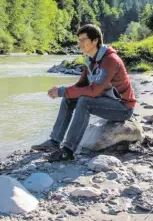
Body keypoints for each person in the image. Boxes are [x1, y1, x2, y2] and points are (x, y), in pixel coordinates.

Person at [32, 24, 137, 162]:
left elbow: (94, 91)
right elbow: (81, 85)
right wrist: (62, 90)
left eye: (83, 39)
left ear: (95, 41)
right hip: (106, 100)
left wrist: (62, 91)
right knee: (69, 99)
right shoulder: (91, 60)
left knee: (84, 101)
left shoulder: (110, 60)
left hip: (122, 108)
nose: (79, 43)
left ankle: (68, 150)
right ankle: (55, 141)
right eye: (78, 40)